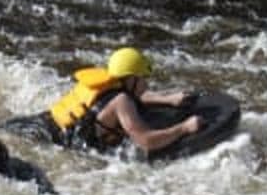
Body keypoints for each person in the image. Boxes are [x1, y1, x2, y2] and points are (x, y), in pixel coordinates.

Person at [46, 47, 203, 156]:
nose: (147, 83)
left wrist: (168, 99)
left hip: (47, 126)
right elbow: (146, 141)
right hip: (50, 143)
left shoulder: (108, 82)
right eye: (143, 78)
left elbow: (137, 95)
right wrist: (185, 127)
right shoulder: (122, 102)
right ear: (131, 79)